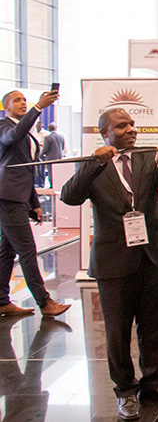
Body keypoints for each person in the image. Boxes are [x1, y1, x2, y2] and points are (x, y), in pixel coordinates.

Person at [61, 108, 158, 420]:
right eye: (122, 126)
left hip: (150, 253)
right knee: (117, 331)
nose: (131, 129)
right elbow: (70, 196)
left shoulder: (145, 156)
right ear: (104, 133)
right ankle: (125, 391)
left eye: (132, 124)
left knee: (154, 325)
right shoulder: (92, 164)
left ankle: (153, 382)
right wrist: (94, 164)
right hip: (113, 259)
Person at [0, 90, 70, 318]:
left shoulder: (27, 133)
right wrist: (38, 107)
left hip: (18, 196)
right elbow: (12, 137)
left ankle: (1, 301)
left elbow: (26, 170)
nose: (22, 103)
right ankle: (44, 302)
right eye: (17, 100)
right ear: (6, 107)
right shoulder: (4, 127)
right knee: (27, 250)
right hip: (7, 197)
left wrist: (34, 203)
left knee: (7, 251)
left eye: (24, 100)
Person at [40, 123, 65, 188]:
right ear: (55, 128)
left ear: (48, 129)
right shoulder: (61, 136)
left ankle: (52, 186)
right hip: (59, 157)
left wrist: (40, 156)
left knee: (51, 173)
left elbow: (45, 149)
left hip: (50, 158)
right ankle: (58, 185)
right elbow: (62, 147)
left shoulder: (47, 138)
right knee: (58, 173)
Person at [32, 120, 46, 188]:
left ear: (42, 127)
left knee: (41, 170)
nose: (38, 128)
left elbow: (46, 144)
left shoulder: (45, 134)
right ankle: (37, 183)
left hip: (42, 154)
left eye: (39, 127)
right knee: (36, 170)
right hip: (35, 154)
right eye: (37, 127)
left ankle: (42, 183)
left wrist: (41, 144)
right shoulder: (34, 133)